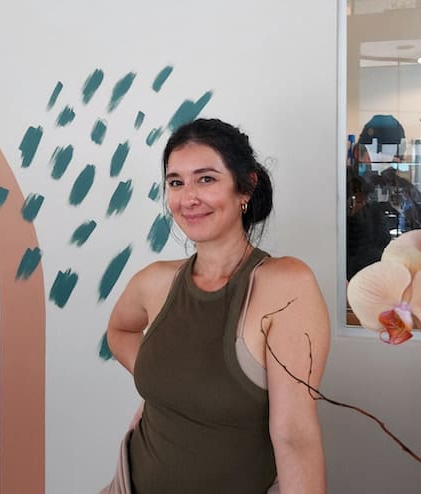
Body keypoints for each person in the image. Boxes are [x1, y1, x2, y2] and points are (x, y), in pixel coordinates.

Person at [104, 118, 330, 493]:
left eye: (206, 179)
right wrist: (169, 378)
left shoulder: (287, 285)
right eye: (176, 182)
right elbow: (119, 330)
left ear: (246, 186)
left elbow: (295, 437)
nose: (188, 198)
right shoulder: (154, 281)